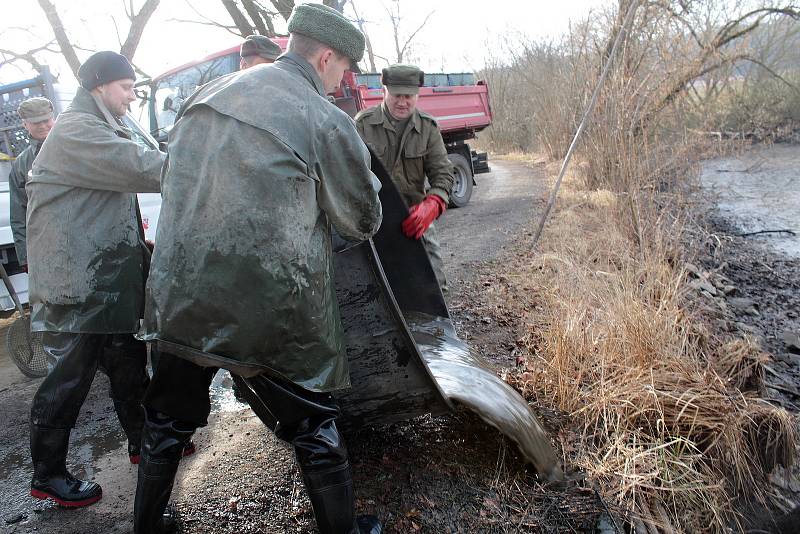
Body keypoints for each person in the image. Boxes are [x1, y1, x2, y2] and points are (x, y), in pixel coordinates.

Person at [134, 4, 383, 534]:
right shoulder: (322, 117)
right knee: (314, 426)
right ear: (326, 56)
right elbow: (361, 219)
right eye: (343, 70)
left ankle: (147, 525)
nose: (343, 82)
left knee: (165, 422)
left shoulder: (206, 97)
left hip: (178, 297)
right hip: (271, 310)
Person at [25, 51, 168, 508]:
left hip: (105, 277)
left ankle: (139, 441)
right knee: (68, 379)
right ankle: (48, 474)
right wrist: (205, 164)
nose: (132, 95)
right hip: (77, 283)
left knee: (128, 361)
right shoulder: (77, 130)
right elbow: (144, 167)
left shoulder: (104, 124)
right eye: (126, 87)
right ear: (101, 86)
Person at [355, 64, 454, 291]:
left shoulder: (428, 127)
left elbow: (443, 172)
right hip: (373, 221)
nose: (402, 102)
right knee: (378, 289)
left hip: (414, 218)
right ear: (384, 92)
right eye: (396, 95)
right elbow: (349, 174)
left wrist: (433, 204)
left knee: (435, 285)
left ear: (417, 96)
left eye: (408, 96)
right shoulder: (362, 125)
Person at [8, 97, 54, 270]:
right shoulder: (21, 165)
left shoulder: (77, 147)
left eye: (46, 120)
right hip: (48, 244)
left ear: (53, 118)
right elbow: (19, 213)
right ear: (25, 125)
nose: (42, 126)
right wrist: (25, 257)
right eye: (36, 123)